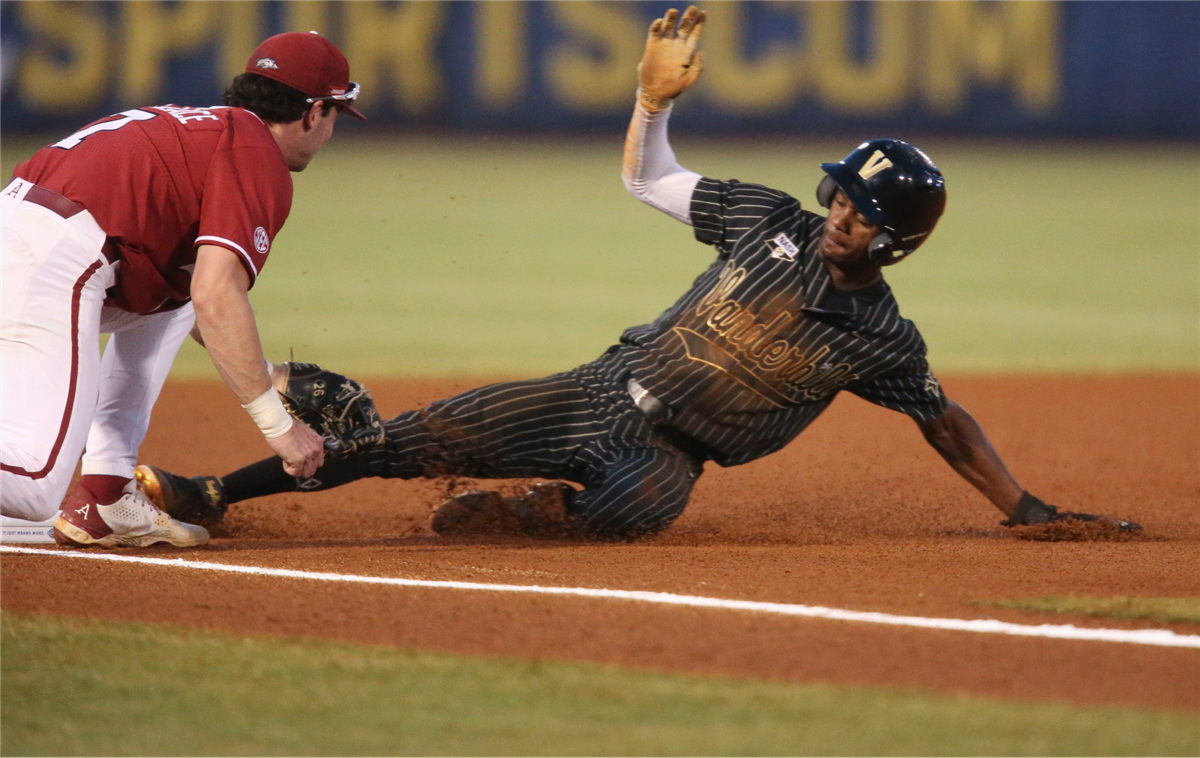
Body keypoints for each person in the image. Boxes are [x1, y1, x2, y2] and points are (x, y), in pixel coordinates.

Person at [135, 7, 1139, 541]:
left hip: (669, 451)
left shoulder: (882, 339)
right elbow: (647, 177)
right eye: (839, 197)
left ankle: (527, 512)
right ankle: (215, 488)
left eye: (861, 214)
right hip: (597, 389)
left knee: (635, 511)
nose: (838, 216)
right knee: (421, 435)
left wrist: (1022, 506)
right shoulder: (767, 217)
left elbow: (940, 416)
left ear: (896, 240)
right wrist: (649, 103)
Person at [0, 32, 366, 547]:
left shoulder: (206, 128)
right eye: (334, 116)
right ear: (314, 112)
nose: (330, 133)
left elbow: (197, 295)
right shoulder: (256, 154)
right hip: (55, 258)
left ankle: (107, 498)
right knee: (34, 487)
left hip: (33, 242)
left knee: (171, 297)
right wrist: (278, 425)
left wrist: (271, 375)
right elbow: (218, 297)